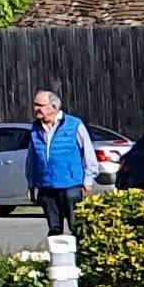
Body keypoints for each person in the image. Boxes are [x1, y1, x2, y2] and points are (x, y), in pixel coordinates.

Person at [27, 88, 92, 242]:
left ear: (54, 107)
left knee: (77, 227)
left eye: (40, 105)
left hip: (71, 185)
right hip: (47, 186)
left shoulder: (74, 124)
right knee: (54, 230)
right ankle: (56, 262)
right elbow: (32, 158)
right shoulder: (35, 128)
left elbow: (88, 153)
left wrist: (88, 181)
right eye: (35, 105)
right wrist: (31, 183)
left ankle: (80, 260)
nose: (36, 108)